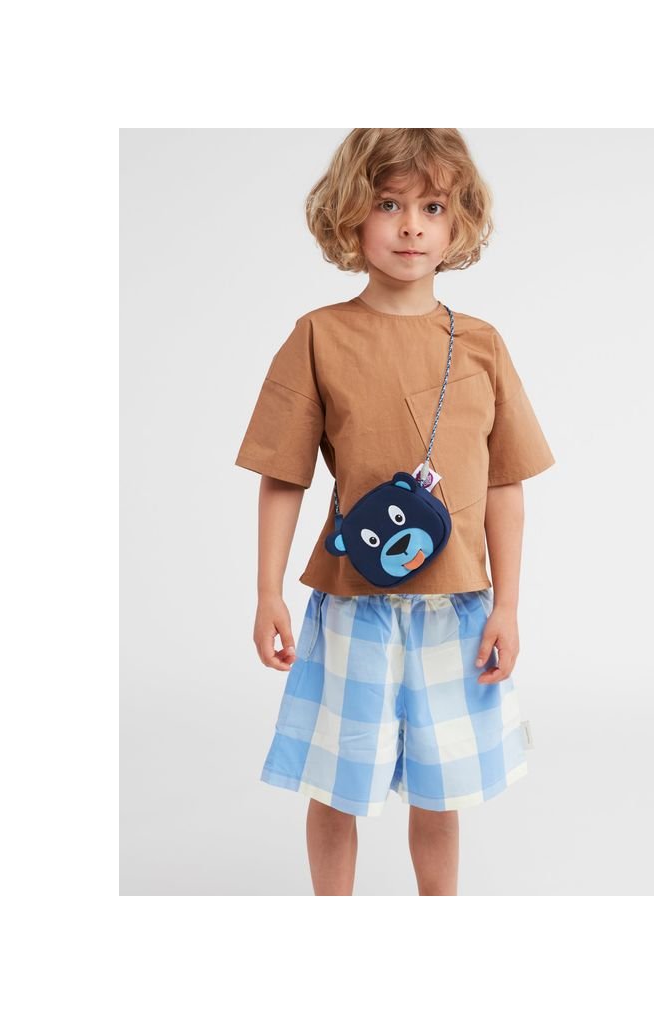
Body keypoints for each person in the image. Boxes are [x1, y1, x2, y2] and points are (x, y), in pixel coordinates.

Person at [234, 129, 556, 895]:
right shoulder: (319, 336)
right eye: (388, 204)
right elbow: (283, 474)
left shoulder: (482, 345)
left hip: (456, 609)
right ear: (350, 214)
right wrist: (268, 591)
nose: (411, 226)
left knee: (441, 792)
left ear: (458, 222)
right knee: (335, 784)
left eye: (432, 207)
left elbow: (505, 484)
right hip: (355, 607)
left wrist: (508, 605)